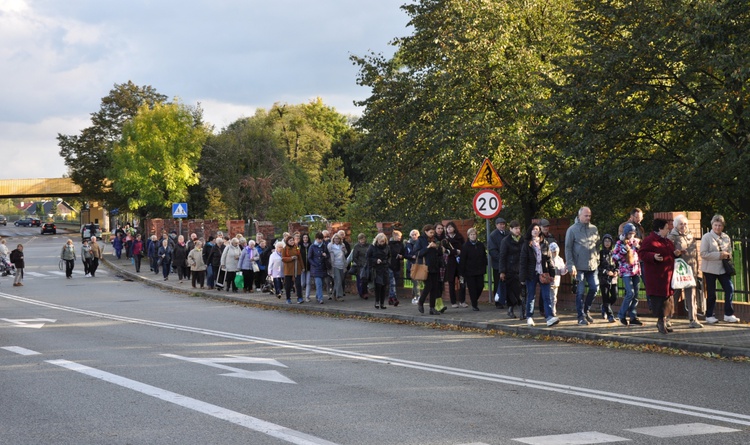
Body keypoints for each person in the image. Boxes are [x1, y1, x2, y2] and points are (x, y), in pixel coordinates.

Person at [640, 219, 679, 334]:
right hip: (656, 276)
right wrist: (653, 256)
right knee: (659, 300)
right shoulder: (650, 240)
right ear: (660, 229)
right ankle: (660, 321)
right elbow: (642, 253)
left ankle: (665, 321)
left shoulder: (667, 241)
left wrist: (676, 253)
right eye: (666, 228)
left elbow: (670, 253)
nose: (668, 230)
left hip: (667, 275)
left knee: (667, 300)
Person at [700, 214, 740, 324]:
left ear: (723, 226)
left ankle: (728, 314)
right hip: (710, 269)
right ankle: (709, 315)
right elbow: (703, 254)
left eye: (720, 225)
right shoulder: (706, 237)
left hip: (723, 269)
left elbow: (730, 251)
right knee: (712, 293)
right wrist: (719, 255)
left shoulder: (726, 237)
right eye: (716, 225)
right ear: (712, 225)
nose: (718, 227)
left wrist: (728, 255)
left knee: (729, 288)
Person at [565, 206, 600, 325]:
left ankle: (586, 310)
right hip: (578, 267)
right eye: (586, 216)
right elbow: (568, 248)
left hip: (592, 265)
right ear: (579, 216)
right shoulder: (572, 230)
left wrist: (598, 259)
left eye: (589, 216)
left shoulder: (594, 229)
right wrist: (571, 265)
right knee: (580, 292)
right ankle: (580, 316)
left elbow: (597, 246)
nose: (588, 218)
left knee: (595, 288)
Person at [519, 224, 559, 327]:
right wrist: (522, 277)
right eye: (533, 229)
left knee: (546, 296)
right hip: (531, 274)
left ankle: (549, 317)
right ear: (530, 231)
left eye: (537, 229)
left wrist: (552, 273)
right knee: (531, 296)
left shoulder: (544, 243)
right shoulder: (526, 244)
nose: (535, 231)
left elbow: (549, 259)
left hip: (543, 273)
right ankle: (529, 316)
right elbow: (523, 262)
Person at [668, 215, 703, 328]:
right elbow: (668, 253)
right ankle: (667, 318)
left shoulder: (690, 235)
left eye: (685, 224)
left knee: (691, 295)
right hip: (678, 271)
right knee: (675, 295)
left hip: (690, 270)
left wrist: (696, 269)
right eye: (681, 224)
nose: (683, 226)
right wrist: (675, 253)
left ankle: (693, 319)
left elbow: (695, 253)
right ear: (675, 225)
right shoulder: (672, 237)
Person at [612, 223, 643, 326]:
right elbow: (615, 257)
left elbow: (641, 254)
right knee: (630, 293)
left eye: (633, 234)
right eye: (629, 234)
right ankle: (621, 315)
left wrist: (638, 247)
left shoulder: (635, 242)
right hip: (626, 272)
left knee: (636, 295)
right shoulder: (620, 243)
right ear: (625, 233)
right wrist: (624, 250)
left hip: (636, 270)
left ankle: (633, 317)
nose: (631, 236)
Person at [416, 224, 444, 315]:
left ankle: (432, 308)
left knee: (434, 288)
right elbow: (418, 253)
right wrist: (428, 247)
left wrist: (436, 247)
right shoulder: (420, 240)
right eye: (430, 232)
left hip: (435, 266)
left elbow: (440, 253)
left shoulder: (435, 240)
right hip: (425, 267)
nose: (432, 234)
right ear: (426, 232)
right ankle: (421, 302)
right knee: (428, 286)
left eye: (433, 233)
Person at [498, 220, 523, 319]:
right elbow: (502, 257)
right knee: (511, 291)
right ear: (511, 229)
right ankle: (514, 309)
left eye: (518, 228)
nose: (517, 230)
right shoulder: (506, 241)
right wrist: (502, 271)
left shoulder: (522, 240)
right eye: (515, 228)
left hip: (520, 269)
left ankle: (517, 309)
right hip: (509, 269)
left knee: (519, 290)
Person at [459, 228, 487, 311]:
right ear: (468, 236)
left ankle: (474, 299)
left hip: (479, 270)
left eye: (474, 234)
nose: (473, 236)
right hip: (469, 271)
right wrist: (462, 272)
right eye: (471, 234)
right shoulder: (465, 246)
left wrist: (484, 265)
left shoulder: (480, 245)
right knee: (472, 288)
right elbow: (463, 260)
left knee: (480, 286)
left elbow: (483, 256)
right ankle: (474, 304)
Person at [442, 222, 467, 308]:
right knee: (451, 282)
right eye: (447, 227)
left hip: (460, 262)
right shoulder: (445, 239)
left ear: (454, 228)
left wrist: (458, 252)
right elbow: (445, 251)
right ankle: (453, 302)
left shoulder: (460, 237)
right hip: (450, 263)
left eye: (451, 227)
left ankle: (462, 300)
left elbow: (463, 249)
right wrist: (455, 252)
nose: (449, 229)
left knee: (462, 281)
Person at [597, 235, 618, 322]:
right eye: (605, 241)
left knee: (614, 296)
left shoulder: (614, 253)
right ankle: (610, 315)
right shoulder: (600, 253)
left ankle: (604, 307)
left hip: (613, 278)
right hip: (604, 278)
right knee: (605, 296)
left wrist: (616, 271)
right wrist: (605, 272)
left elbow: (618, 264)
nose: (607, 243)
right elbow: (598, 266)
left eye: (609, 241)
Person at [487, 218, 508, 308]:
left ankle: (507, 299)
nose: (502, 226)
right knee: (498, 282)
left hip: (508, 263)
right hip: (497, 264)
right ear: (496, 225)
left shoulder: (508, 234)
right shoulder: (493, 235)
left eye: (503, 224)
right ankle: (498, 301)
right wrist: (501, 259)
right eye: (500, 224)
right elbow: (492, 250)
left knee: (508, 282)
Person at [367, 233, 391, 309]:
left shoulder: (387, 247)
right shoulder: (372, 247)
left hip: (384, 268)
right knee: (378, 285)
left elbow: (389, 257)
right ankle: (377, 301)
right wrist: (375, 260)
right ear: (377, 240)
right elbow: (368, 257)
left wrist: (386, 262)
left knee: (384, 286)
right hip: (376, 269)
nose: (382, 243)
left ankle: (382, 303)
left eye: (383, 241)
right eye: (380, 241)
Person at [282, 236, 305, 304]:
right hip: (288, 269)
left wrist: (302, 267)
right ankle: (288, 298)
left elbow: (300, 257)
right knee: (288, 285)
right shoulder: (285, 249)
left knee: (298, 284)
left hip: (297, 268)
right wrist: (291, 258)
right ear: (287, 242)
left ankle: (300, 298)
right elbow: (283, 258)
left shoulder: (296, 248)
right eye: (290, 241)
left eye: (292, 240)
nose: (292, 242)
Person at [307, 233, 328, 304]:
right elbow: (309, 258)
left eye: (321, 239)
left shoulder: (324, 246)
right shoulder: (312, 247)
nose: (320, 240)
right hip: (316, 268)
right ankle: (320, 298)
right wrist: (314, 264)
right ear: (316, 238)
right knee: (318, 283)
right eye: (319, 239)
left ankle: (317, 295)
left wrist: (325, 255)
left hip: (322, 267)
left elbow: (327, 255)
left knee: (321, 284)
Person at [548, 242, 567, 318]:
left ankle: (552, 310)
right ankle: (551, 311)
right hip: (549, 280)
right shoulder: (548, 259)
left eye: (556, 251)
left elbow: (562, 272)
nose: (555, 253)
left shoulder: (560, 259)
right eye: (553, 252)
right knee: (550, 296)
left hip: (556, 281)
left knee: (554, 297)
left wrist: (566, 267)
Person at [327, 233, 347, 301]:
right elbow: (328, 255)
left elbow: (345, 253)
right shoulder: (330, 246)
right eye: (335, 238)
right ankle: (339, 296)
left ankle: (334, 294)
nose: (336, 240)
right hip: (334, 265)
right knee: (338, 280)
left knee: (340, 280)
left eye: (338, 238)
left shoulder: (342, 245)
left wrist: (345, 251)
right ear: (333, 239)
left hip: (341, 265)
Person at [350, 233, 370, 300]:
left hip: (367, 264)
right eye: (361, 239)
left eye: (364, 239)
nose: (363, 241)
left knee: (365, 279)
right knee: (360, 279)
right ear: (359, 240)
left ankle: (365, 292)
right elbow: (354, 257)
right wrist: (359, 263)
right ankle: (361, 293)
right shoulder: (356, 247)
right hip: (360, 265)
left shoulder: (368, 246)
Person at [387, 230, 404, 306]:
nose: (399, 238)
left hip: (397, 265)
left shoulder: (401, 244)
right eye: (398, 236)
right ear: (394, 236)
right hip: (390, 265)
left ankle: (390, 298)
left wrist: (401, 256)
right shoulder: (389, 244)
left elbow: (403, 253)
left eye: (400, 237)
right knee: (392, 282)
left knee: (394, 282)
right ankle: (394, 298)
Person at [404, 230, 420, 304]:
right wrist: (411, 256)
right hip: (411, 264)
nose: (414, 236)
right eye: (412, 235)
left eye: (415, 234)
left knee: (417, 281)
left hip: (419, 264)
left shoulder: (420, 243)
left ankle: (416, 296)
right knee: (415, 281)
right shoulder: (408, 244)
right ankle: (417, 296)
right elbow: (405, 254)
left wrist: (417, 256)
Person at [299, 233, 312, 301]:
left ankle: (307, 296)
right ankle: (300, 295)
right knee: (302, 283)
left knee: (308, 282)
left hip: (309, 267)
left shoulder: (311, 246)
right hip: (302, 267)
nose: (305, 239)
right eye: (304, 238)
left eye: (306, 238)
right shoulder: (299, 246)